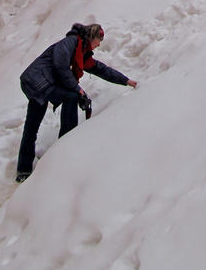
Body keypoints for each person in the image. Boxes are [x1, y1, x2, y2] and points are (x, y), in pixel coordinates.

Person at [15, 20, 137, 182]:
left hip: (37, 84)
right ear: (91, 37)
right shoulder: (72, 42)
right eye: (98, 40)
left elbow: (101, 70)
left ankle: (23, 170)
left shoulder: (81, 54)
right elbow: (60, 67)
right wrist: (78, 90)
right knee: (71, 96)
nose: (98, 45)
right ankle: (66, 144)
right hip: (38, 81)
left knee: (32, 126)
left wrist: (126, 81)